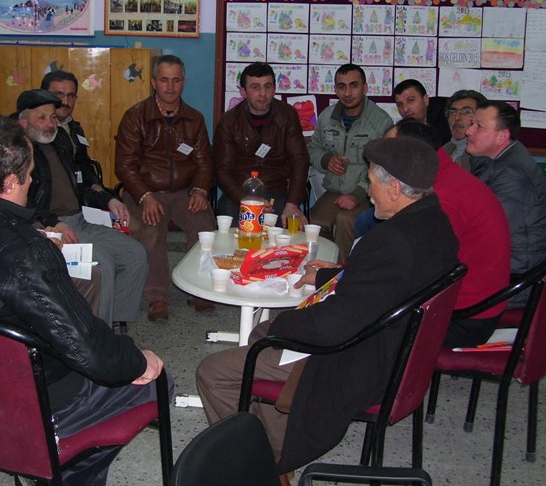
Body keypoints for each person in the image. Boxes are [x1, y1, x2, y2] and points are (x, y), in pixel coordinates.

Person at [0, 114, 168, 486]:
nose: (32, 182)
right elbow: (88, 350)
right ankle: (60, 467)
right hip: (30, 403)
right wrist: (138, 359)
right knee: (158, 380)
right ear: (10, 183)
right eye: (29, 175)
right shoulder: (27, 250)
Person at [196, 136, 459, 474]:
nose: (368, 191)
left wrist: (286, 323)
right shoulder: (435, 224)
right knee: (261, 332)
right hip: (394, 349)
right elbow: (383, 283)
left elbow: (333, 327)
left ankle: (261, 458)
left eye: (372, 182)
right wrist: (328, 276)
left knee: (214, 371)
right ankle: (275, 439)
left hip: (355, 361)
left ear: (394, 189)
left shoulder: (391, 240)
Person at [353, 119, 511, 347]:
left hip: (464, 316)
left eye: (390, 148)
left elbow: (405, 275)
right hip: (469, 300)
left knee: (361, 326)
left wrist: (348, 280)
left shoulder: (440, 198)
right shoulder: (443, 175)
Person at [17, 89, 147, 327]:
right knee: (103, 265)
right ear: (23, 122)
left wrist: (109, 200)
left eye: (53, 117)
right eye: (41, 118)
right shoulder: (19, 155)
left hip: (80, 219)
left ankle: (117, 321)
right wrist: (53, 223)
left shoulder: (60, 143)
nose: (50, 124)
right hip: (50, 227)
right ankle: (99, 332)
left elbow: (79, 186)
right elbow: (24, 204)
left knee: (135, 254)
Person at [115, 55, 216, 322]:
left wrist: (200, 190)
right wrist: (144, 196)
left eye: (176, 80)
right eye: (164, 80)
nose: (170, 87)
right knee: (151, 230)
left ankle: (199, 287)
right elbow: (124, 166)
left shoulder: (194, 119)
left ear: (183, 82)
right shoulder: (135, 117)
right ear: (153, 82)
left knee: (205, 225)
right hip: (146, 190)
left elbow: (205, 163)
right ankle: (157, 296)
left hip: (184, 191)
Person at [307, 63, 392, 261]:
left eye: (353, 85)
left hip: (368, 193)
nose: (347, 93)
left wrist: (357, 194)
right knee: (315, 222)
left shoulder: (381, 121)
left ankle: (343, 272)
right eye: (341, 86)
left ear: (365, 87)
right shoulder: (327, 117)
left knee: (346, 221)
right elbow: (313, 148)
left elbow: (383, 167)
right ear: (336, 90)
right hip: (335, 190)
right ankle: (320, 266)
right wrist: (326, 160)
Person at [466, 101, 546, 284]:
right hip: (511, 263)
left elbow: (489, 229)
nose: (469, 131)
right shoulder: (498, 158)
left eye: (479, 126)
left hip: (517, 276)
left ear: (502, 137)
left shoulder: (513, 173)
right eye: (472, 124)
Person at [213, 62, 309, 227]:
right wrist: (247, 200)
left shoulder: (287, 115)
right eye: (255, 87)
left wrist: (292, 204)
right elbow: (223, 171)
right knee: (233, 230)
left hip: (277, 193)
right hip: (239, 194)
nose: (263, 93)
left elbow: (299, 160)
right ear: (243, 92)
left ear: (274, 89)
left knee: (286, 231)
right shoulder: (229, 121)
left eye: (267, 86)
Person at [41, 70, 115, 197]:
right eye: (59, 95)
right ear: (44, 96)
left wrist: (97, 188)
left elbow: (84, 164)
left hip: (81, 192)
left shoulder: (75, 128)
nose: (65, 101)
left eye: (71, 96)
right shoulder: (40, 132)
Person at [441, 89, 487, 169]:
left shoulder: (485, 155)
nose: (457, 117)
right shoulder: (444, 150)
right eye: (453, 112)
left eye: (466, 112)